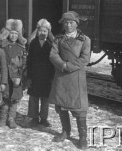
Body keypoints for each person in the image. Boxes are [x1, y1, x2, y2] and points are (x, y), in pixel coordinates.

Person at [48, 11, 91, 149]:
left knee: (79, 109)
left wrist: (69, 66)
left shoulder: (85, 39)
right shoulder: (58, 39)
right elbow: (53, 55)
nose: (68, 25)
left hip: (76, 78)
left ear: (76, 24)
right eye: (66, 22)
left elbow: (85, 59)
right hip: (61, 77)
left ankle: (82, 137)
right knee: (61, 107)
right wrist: (62, 65)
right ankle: (65, 132)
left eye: (71, 22)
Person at [0, 19, 27, 129]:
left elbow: (23, 63)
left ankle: (11, 119)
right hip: (4, 76)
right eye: (11, 33)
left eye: (16, 33)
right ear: (7, 33)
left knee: (14, 99)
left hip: (15, 77)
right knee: (4, 98)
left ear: (19, 34)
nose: (13, 36)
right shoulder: (2, 45)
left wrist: (19, 76)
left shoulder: (21, 47)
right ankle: (2, 118)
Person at [26, 19, 54, 127]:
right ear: (37, 31)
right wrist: (29, 77)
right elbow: (29, 61)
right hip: (35, 75)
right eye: (40, 31)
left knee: (45, 99)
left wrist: (52, 77)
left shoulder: (51, 44)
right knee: (33, 97)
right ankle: (34, 118)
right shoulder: (33, 43)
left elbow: (53, 62)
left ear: (48, 32)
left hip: (47, 76)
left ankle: (43, 119)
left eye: (45, 31)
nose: (42, 33)